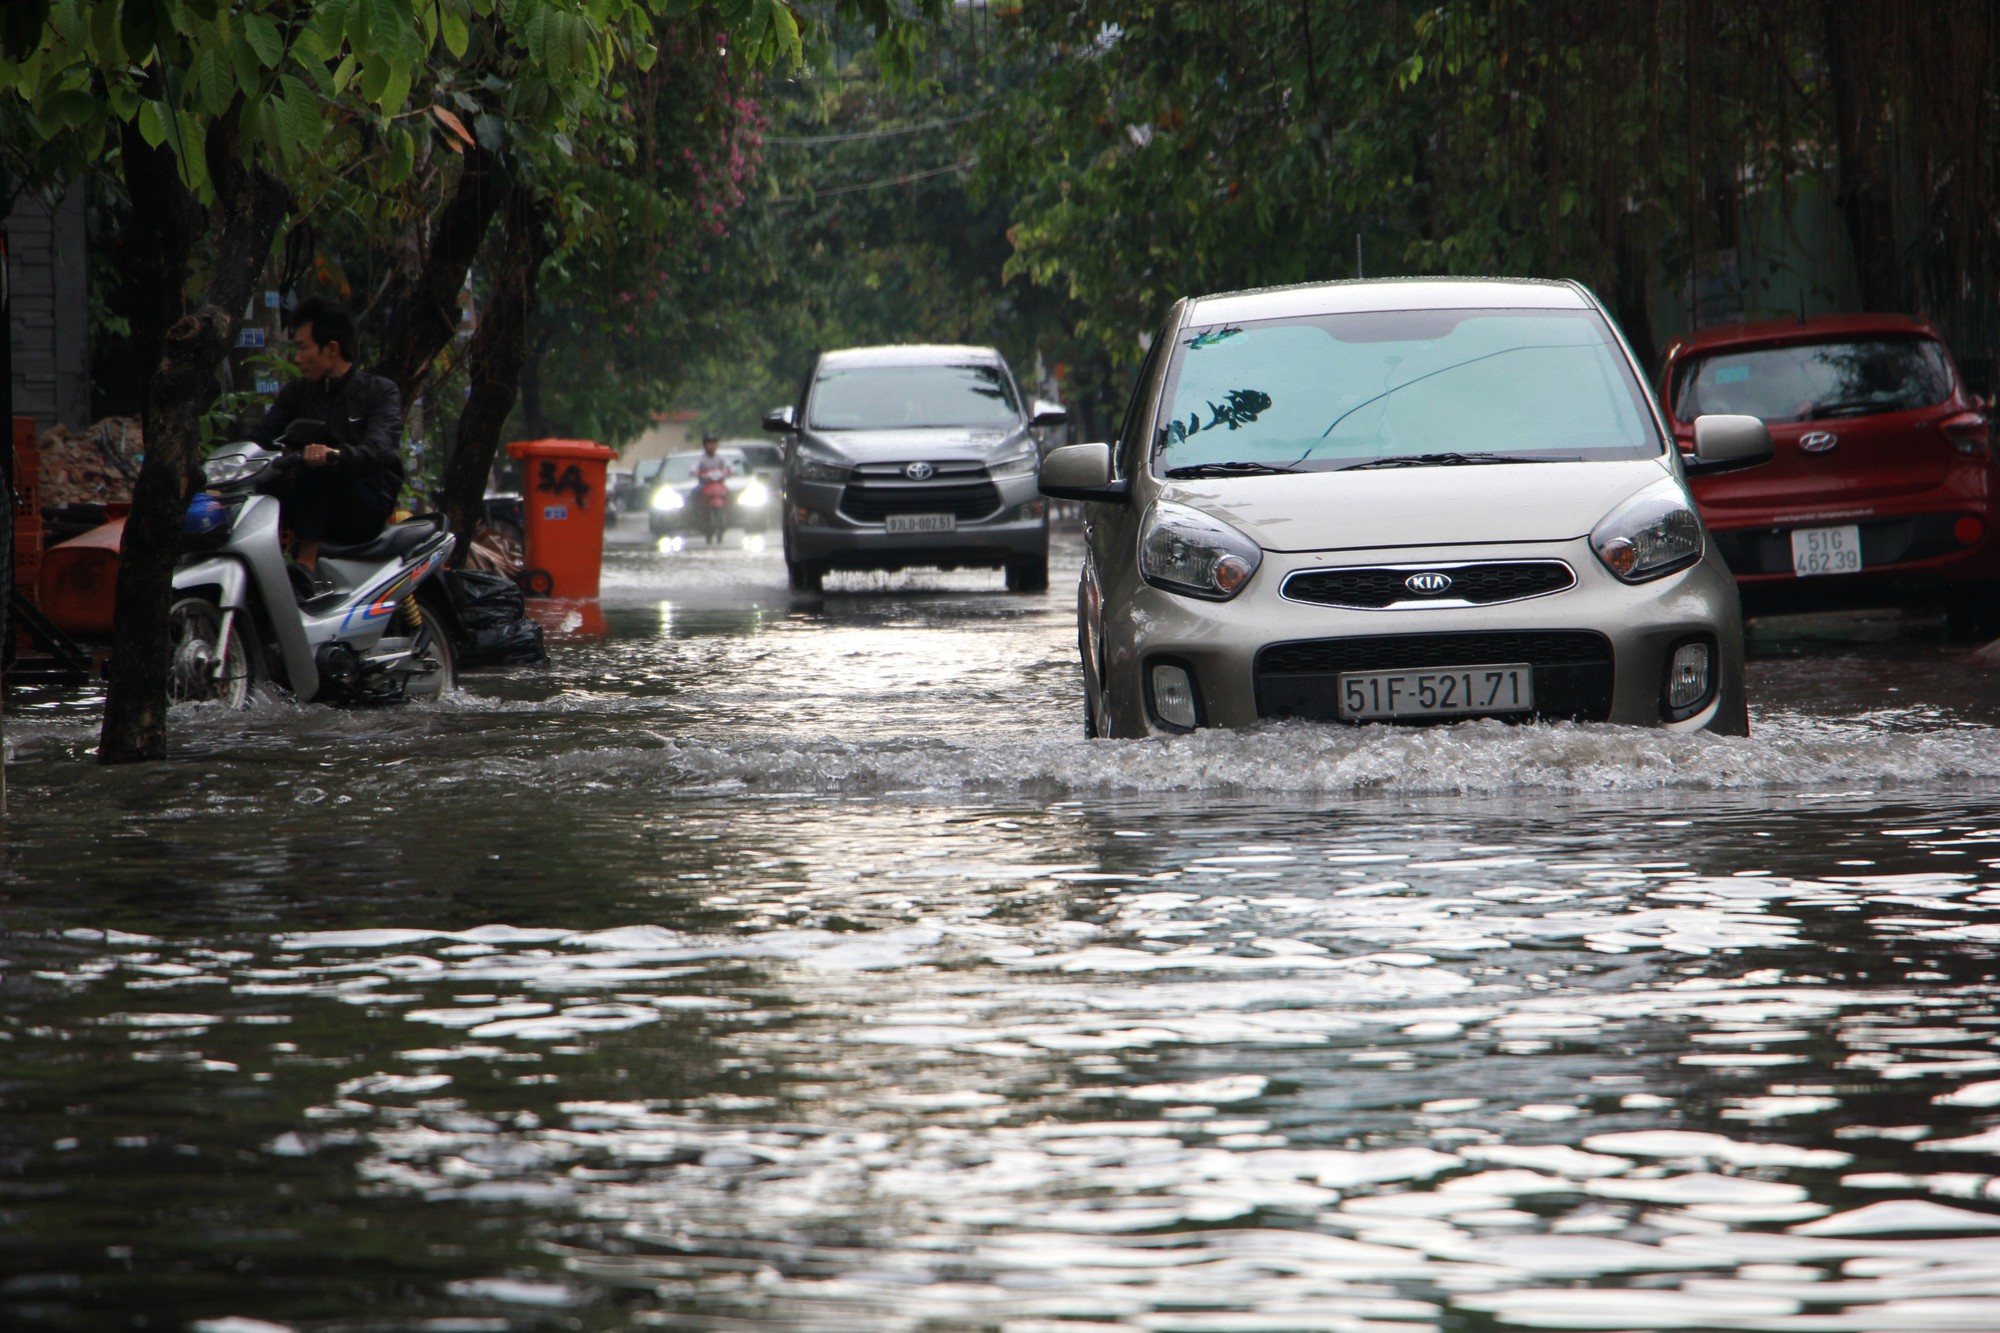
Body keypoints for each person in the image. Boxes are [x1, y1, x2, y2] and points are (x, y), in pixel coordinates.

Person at [248, 297, 405, 581]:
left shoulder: (379, 392)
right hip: (310, 506)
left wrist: (336, 455)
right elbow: (261, 438)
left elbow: (380, 448)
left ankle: (305, 563)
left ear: (331, 349)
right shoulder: (296, 393)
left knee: (317, 467)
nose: (296, 358)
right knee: (266, 479)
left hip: (363, 508)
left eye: (302, 348)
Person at [693, 432, 732, 543]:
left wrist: (729, 472)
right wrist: (696, 473)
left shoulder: (721, 458)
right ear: (705, 445)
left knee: (729, 493)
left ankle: (729, 512)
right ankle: (696, 513)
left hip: (719, 485)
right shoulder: (700, 459)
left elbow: (729, 467)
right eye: (709, 443)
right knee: (694, 493)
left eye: (714, 443)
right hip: (704, 485)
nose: (712, 446)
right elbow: (693, 469)